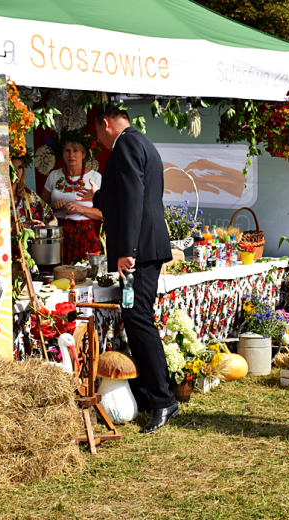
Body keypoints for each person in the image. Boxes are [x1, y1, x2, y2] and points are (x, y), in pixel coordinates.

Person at [87, 105, 175, 434]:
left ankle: (163, 399)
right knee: (134, 316)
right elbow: (126, 194)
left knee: (138, 317)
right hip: (148, 245)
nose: (99, 140)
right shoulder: (143, 143)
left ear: (107, 124)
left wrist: (128, 252)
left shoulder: (124, 144)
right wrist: (98, 197)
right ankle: (151, 393)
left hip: (140, 249)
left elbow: (136, 197)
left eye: (98, 133)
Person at [40, 137, 102, 264]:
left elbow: (103, 214)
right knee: (59, 273)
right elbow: (40, 209)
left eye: (76, 151)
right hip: (58, 233)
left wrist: (80, 209)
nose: (71, 155)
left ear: (83, 154)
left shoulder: (95, 177)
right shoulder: (54, 176)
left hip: (84, 234)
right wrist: (53, 206)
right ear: (62, 154)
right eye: (67, 151)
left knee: (85, 274)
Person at [11, 155, 57, 229]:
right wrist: (15, 226)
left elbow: (51, 219)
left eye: (20, 167)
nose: (16, 172)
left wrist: (37, 225)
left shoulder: (29, 195)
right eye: (12, 168)